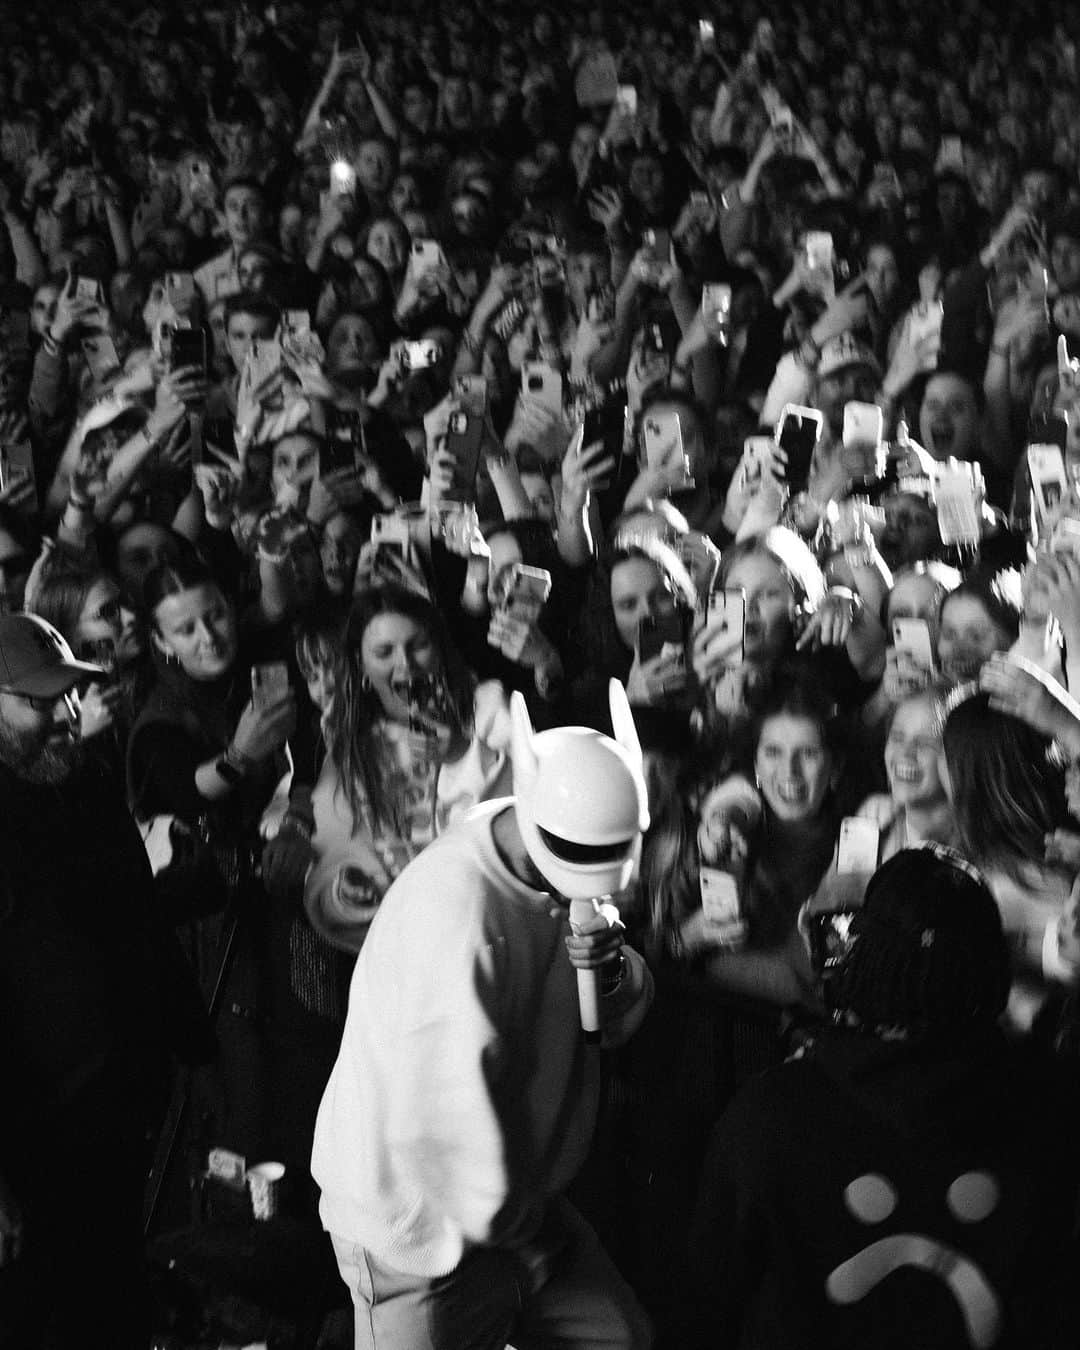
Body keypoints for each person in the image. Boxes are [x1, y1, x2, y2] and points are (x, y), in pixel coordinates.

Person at [311, 680, 654, 1350]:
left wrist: (610, 970)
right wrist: (516, 1237)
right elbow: (437, 1130)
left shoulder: (559, 853)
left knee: (619, 1335)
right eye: (585, 862)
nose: (602, 881)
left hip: (517, 1206)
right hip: (416, 1231)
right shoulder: (456, 918)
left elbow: (603, 1019)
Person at [684, 847, 1080, 1350]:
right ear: (990, 973)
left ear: (863, 963)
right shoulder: (1050, 1111)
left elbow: (708, 1299)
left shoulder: (771, 1115)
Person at [0, 612, 211, 1349]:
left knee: (115, 1298)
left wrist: (194, 1044)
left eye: (67, 697)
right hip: (32, 1140)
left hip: (115, 1106)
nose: (65, 717)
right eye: (37, 702)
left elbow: (135, 919)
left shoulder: (82, 780)